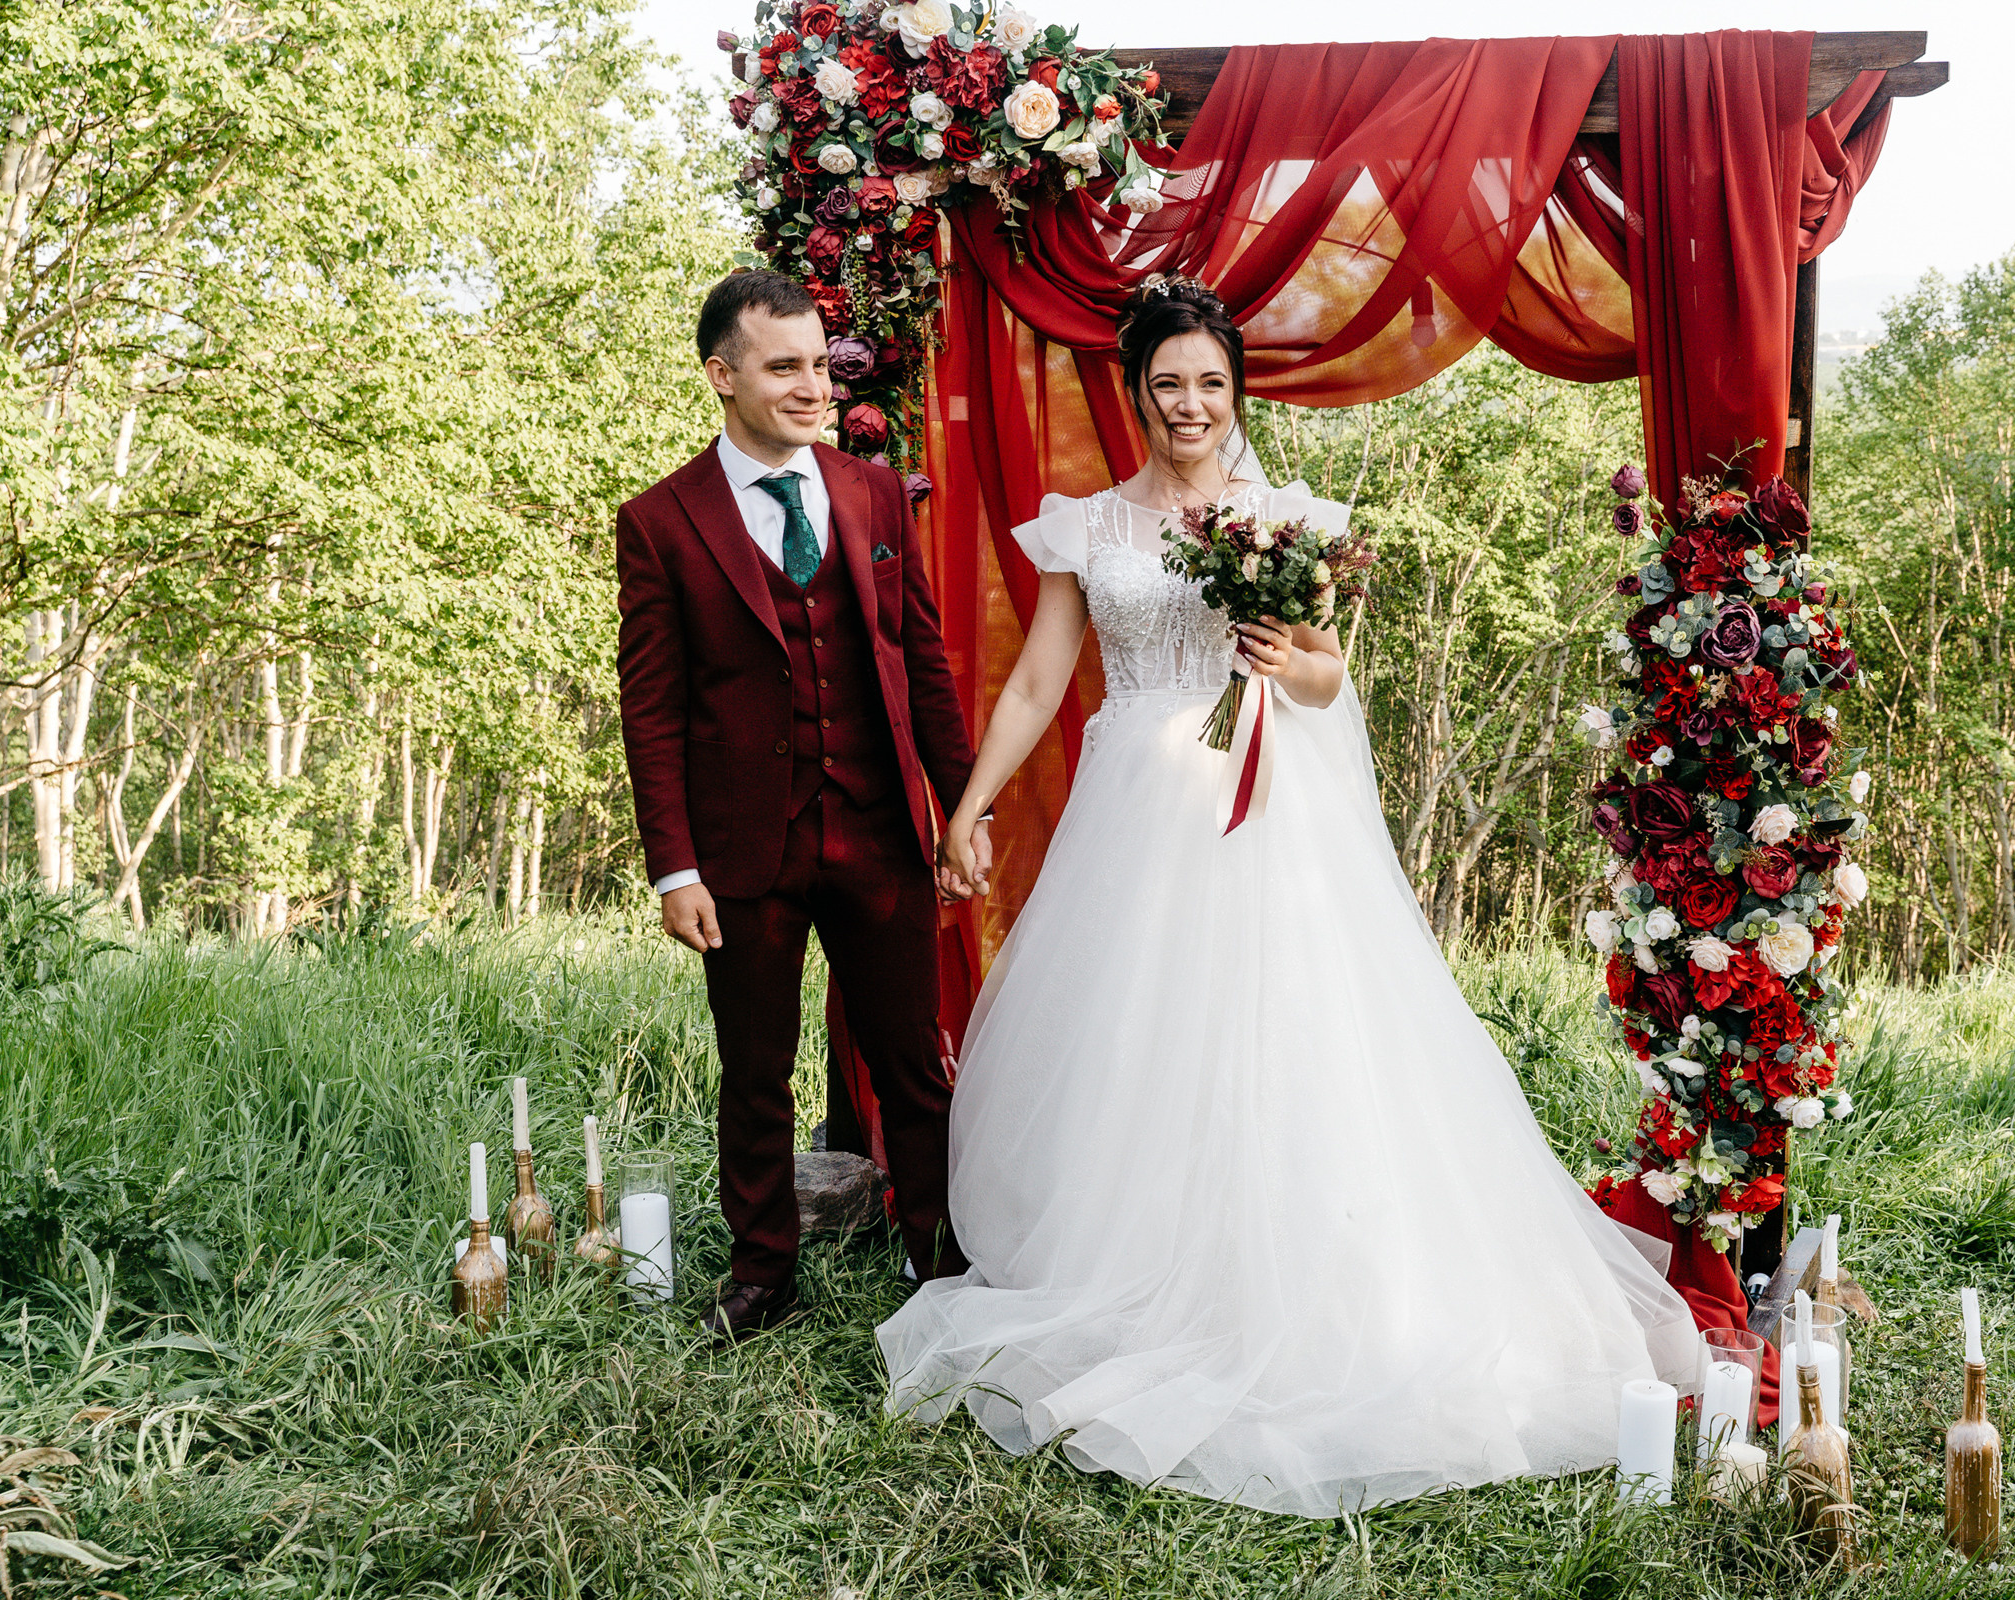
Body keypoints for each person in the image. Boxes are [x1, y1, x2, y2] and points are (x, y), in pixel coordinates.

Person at [875, 277, 1700, 1517]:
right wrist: (975, 801)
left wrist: (1284, 660)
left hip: (1267, 815)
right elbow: (1043, 679)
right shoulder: (1087, 526)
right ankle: (1140, 1263)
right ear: (1138, 394)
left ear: (1236, 389)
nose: (1189, 404)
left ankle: (1311, 1275)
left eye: (1210, 382)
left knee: (1290, 1031)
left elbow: (1327, 679)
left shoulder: (1292, 519)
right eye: (1167, 385)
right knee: (1139, 1042)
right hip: (1135, 811)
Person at [615, 270, 989, 1340]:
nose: (812, 385)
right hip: (745, 849)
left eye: (820, 364)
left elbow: (921, 660)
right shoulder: (662, 522)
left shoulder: (874, 494)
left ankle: (937, 1255)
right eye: (785, 367)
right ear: (721, 376)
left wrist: (961, 806)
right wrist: (673, 867)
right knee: (756, 1071)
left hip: (877, 828)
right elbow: (653, 707)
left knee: (913, 1058)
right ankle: (764, 1274)